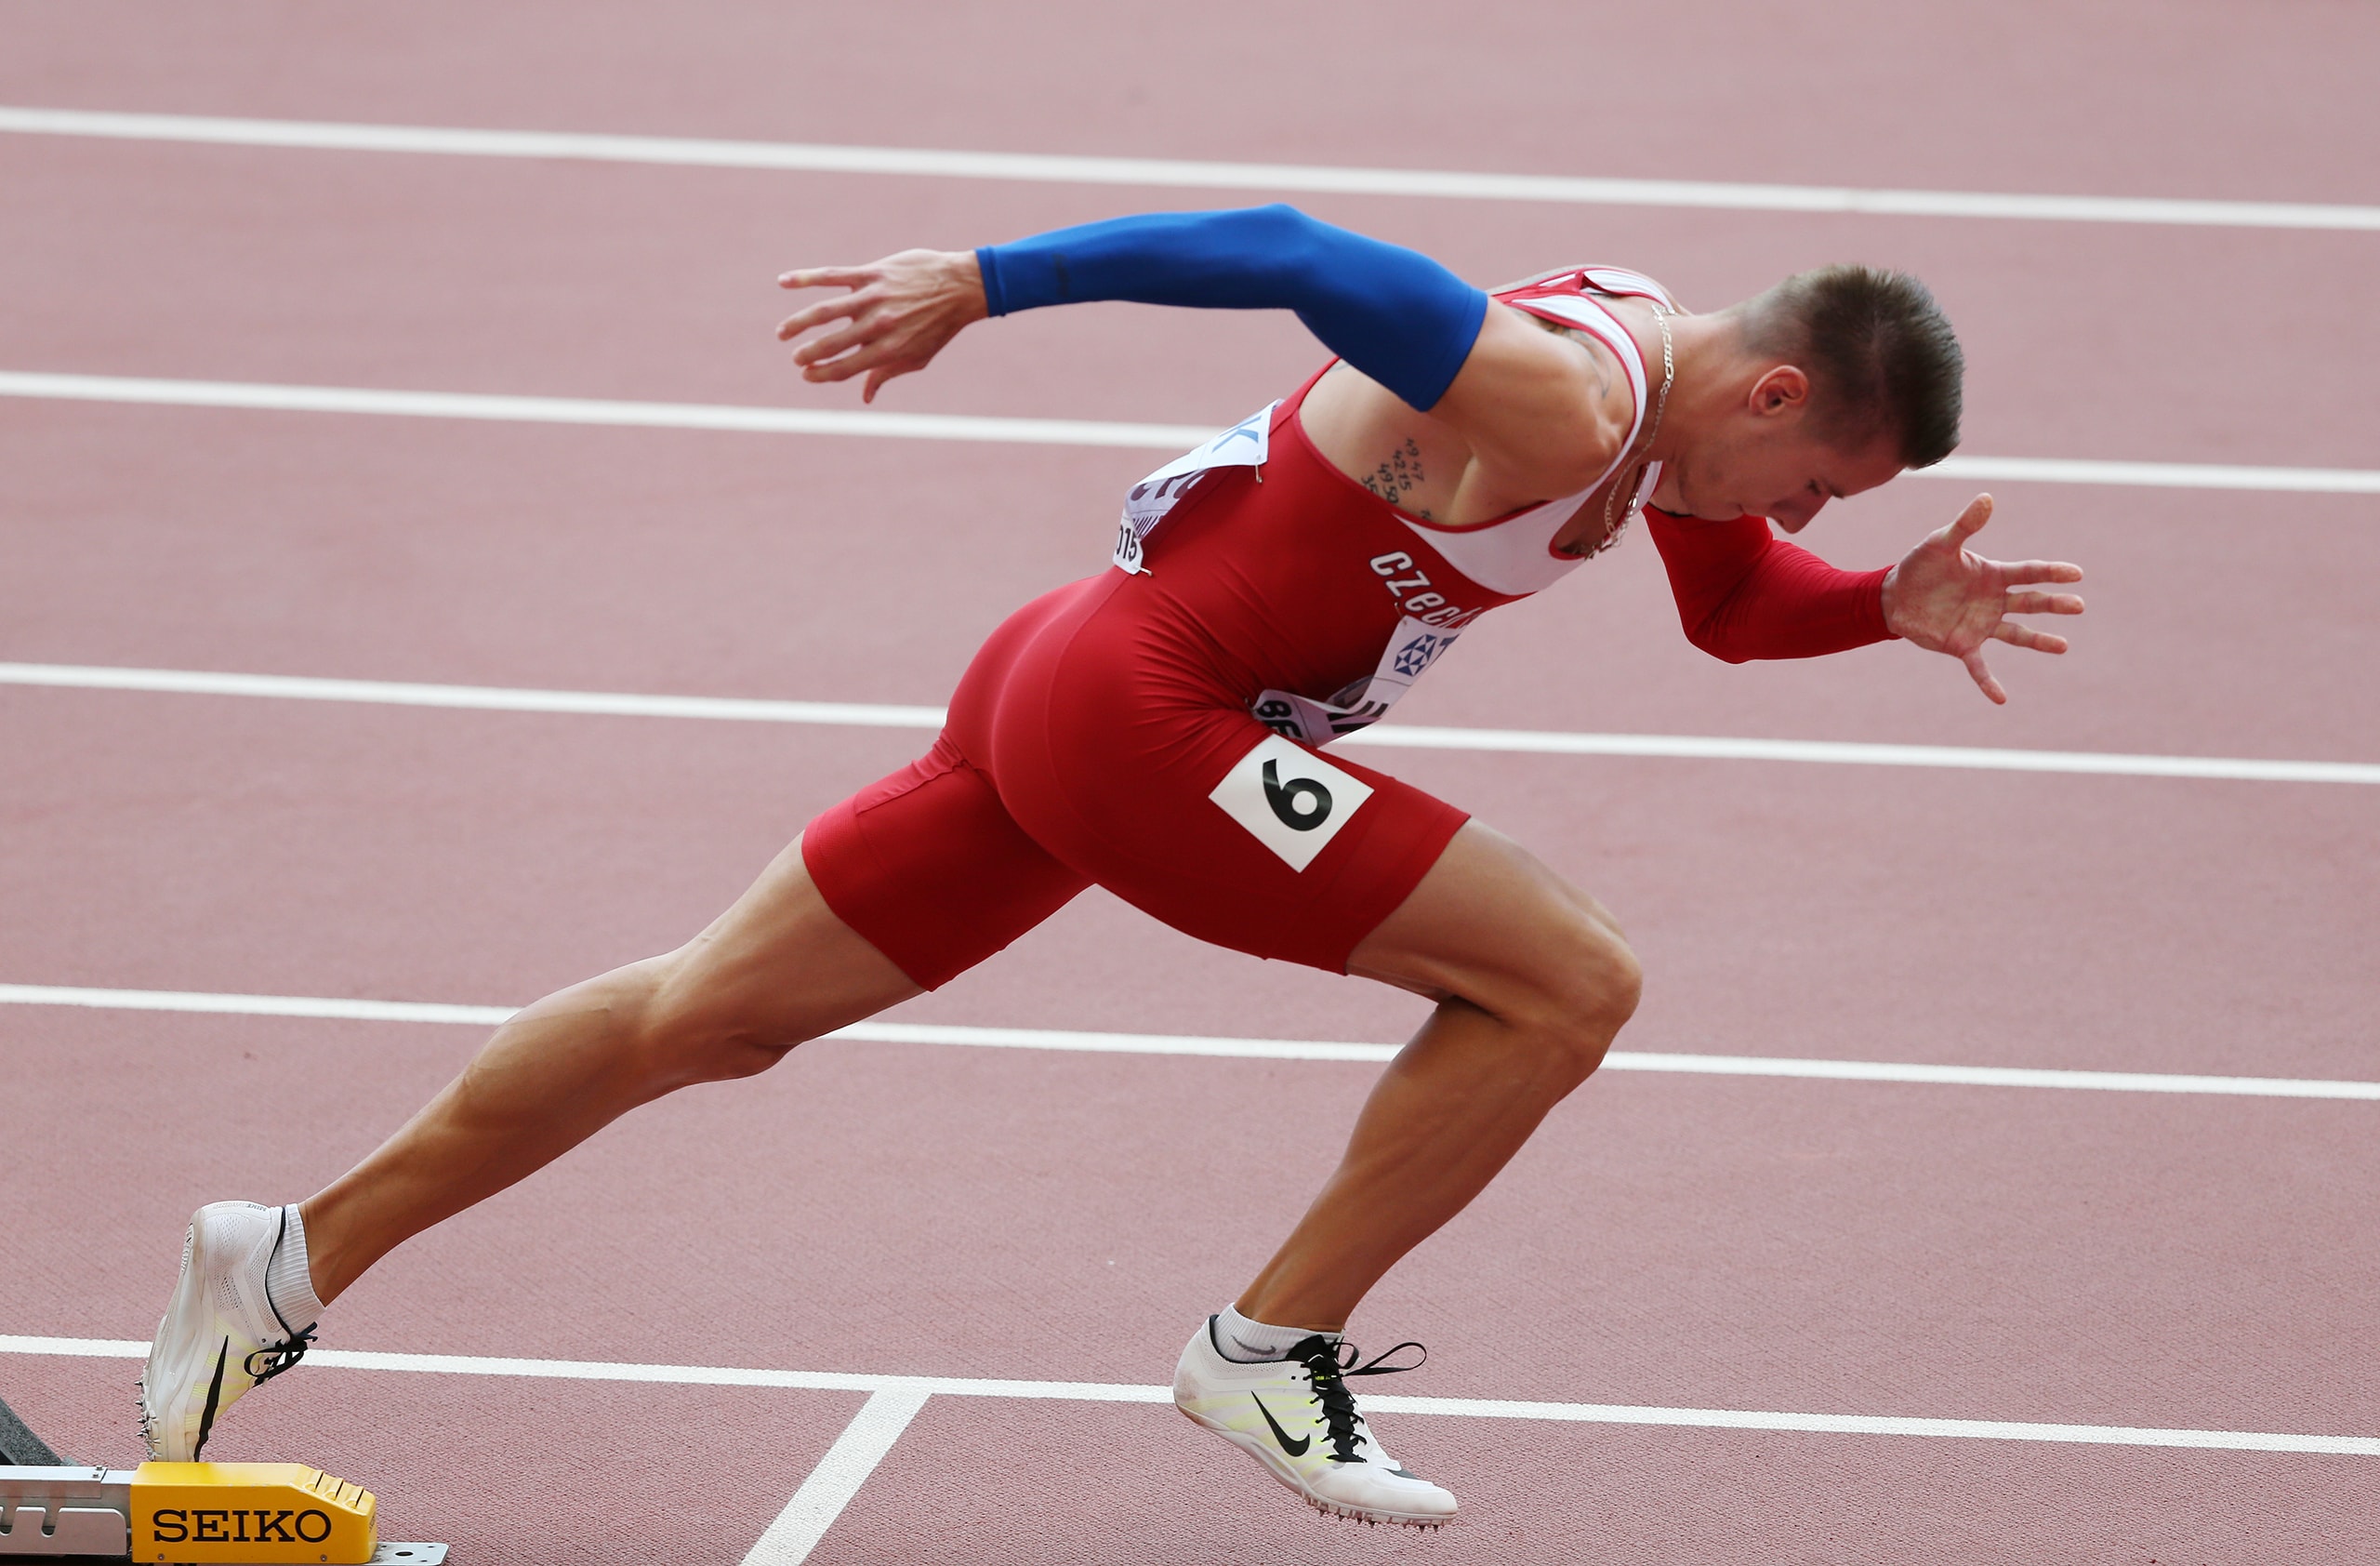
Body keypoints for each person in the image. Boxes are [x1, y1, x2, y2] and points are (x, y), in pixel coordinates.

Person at [138, 206, 2082, 1529]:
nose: (1800, 512)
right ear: (1768, 397)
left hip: (1067, 675)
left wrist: (1869, 605)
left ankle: (285, 1250)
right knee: (1568, 980)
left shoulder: (1654, 399)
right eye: (1824, 482)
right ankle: (1264, 1346)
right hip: (1153, 715)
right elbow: (1294, 251)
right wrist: (979, 281)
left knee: (701, 1017)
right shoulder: (1569, 396)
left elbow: (1734, 610)